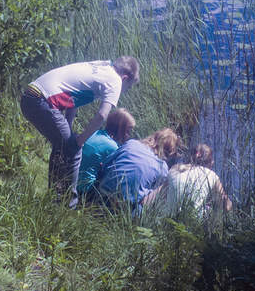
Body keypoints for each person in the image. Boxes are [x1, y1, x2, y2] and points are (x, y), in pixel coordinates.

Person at [20, 56, 139, 197]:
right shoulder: (115, 80)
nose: (126, 90)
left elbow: (74, 100)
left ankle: (54, 196)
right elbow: (102, 115)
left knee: (63, 144)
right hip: (41, 101)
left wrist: (69, 130)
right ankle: (69, 204)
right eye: (129, 87)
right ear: (125, 78)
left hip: (30, 95)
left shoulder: (100, 66)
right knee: (74, 149)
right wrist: (80, 141)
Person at [93, 125, 180, 212]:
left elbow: (106, 163)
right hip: (123, 207)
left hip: (101, 193)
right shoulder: (162, 167)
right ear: (169, 151)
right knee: (156, 191)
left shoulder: (132, 143)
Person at [144, 142, 232, 221]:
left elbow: (160, 193)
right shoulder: (212, 175)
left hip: (168, 221)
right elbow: (227, 206)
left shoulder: (175, 169)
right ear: (210, 162)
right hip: (193, 224)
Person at [75, 107, 134, 198]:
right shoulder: (112, 147)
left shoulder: (96, 132)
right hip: (84, 188)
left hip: (72, 179)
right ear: (120, 129)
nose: (129, 135)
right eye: (128, 130)